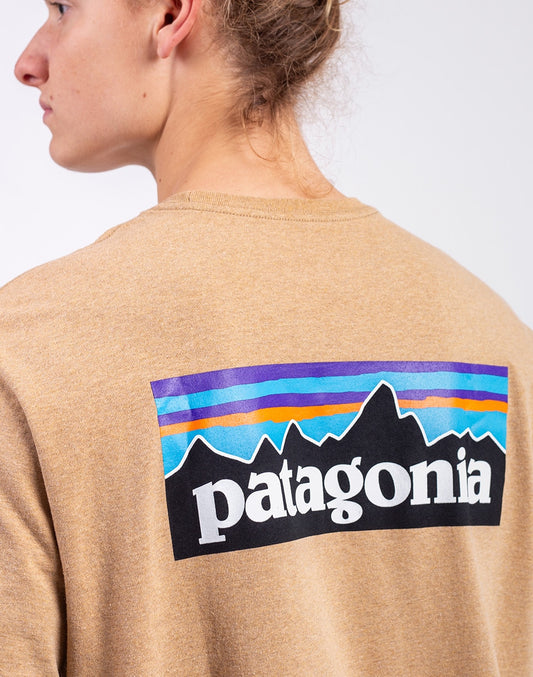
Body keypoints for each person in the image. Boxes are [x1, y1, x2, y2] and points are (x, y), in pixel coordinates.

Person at [1, 0, 531, 674]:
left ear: (169, 15)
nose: (28, 62)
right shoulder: (495, 338)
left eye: (62, 8)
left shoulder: (33, 350)